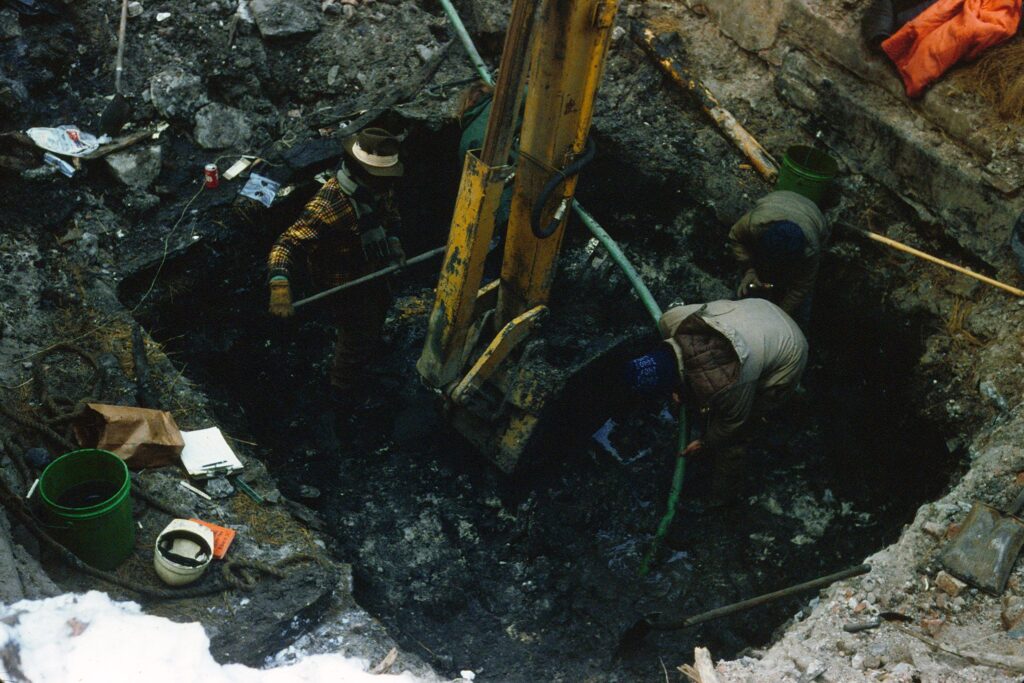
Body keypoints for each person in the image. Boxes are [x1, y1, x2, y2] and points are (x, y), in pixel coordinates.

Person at [267, 127, 405, 410]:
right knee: (355, 335)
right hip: (343, 284)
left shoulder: (379, 190)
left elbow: (390, 215)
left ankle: (370, 346)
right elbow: (286, 244)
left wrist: (392, 242)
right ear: (361, 172)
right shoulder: (329, 205)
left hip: (375, 270)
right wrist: (279, 284)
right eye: (380, 179)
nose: (386, 186)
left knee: (378, 311)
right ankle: (342, 391)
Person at [624, 298, 808, 502]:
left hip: (790, 351)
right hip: (761, 310)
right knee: (708, 404)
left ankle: (723, 499)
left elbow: (732, 422)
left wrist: (706, 441)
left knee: (734, 439)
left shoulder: (729, 386)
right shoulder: (671, 320)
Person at [728, 190, 829, 327]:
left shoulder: (810, 251)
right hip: (779, 198)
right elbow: (736, 237)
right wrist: (749, 269)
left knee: (801, 311)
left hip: (812, 214)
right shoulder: (755, 224)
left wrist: (779, 315)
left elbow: (800, 288)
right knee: (751, 283)